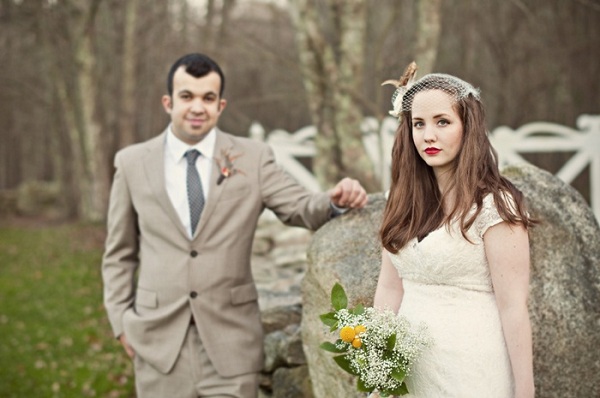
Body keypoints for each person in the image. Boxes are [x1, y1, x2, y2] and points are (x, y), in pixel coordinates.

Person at [101, 52, 368, 398]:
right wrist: (121, 321)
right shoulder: (132, 162)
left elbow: (298, 206)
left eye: (207, 98)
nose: (197, 107)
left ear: (220, 105)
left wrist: (334, 199)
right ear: (168, 102)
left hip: (230, 345)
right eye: (187, 96)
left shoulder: (253, 158)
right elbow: (119, 254)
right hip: (158, 345)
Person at [374, 68, 536, 397]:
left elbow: (513, 306)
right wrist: (378, 371)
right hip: (409, 375)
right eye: (418, 124)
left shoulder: (495, 206)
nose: (428, 135)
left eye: (442, 122)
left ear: (468, 127)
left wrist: (525, 390)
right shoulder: (403, 202)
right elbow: (390, 290)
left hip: (472, 370)